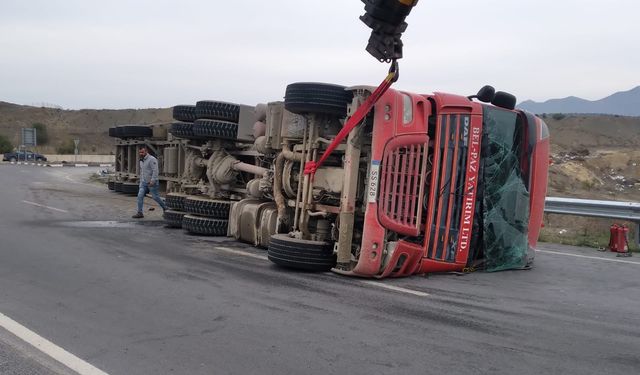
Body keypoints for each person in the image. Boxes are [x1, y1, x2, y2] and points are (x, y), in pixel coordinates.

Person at [132, 146, 167, 218]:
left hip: (152, 182)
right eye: (140, 152)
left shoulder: (152, 159)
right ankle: (140, 212)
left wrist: (153, 180)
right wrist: (141, 181)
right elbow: (142, 172)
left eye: (142, 152)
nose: (141, 153)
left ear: (146, 152)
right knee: (140, 196)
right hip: (144, 182)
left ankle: (165, 208)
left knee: (155, 197)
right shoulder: (141, 160)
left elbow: (155, 170)